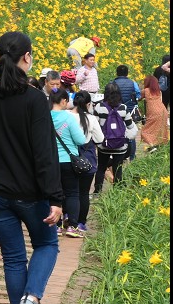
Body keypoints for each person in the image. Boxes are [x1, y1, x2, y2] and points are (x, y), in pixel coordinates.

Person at [0, 31, 63, 304]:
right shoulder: (35, 99)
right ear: (26, 57)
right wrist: (55, 197)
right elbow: (44, 154)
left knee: (13, 260)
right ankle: (33, 298)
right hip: (31, 194)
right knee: (47, 245)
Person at [48, 87, 87, 238]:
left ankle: (56, 226)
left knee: (55, 193)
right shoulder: (69, 117)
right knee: (72, 194)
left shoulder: (45, 117)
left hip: (51, 162)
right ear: (64, 101)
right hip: (69, 162)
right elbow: (80, 140)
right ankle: (72, 226)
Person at [92, 81, 138, 194]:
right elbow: (130, 126)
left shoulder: (99, 107)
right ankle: (118, 193)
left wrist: (98, 142)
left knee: (101, 168)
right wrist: (126, 139)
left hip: (104, 145)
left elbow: (95, 126)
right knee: (118, 169)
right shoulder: (123, 108)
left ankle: (97, 192)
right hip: (120, 145)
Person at [70, 91, 103, 235]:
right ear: (88, 104)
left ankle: (68, 219)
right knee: (83, 193)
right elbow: (100, 138)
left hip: (68, 158)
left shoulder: (67, 116)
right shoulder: (91, 119)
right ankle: (80, 223)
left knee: (69, 192)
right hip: (86, 160)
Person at [111, 64, 143, 161]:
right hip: (129, 110)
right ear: (127, 73)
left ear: (117, 73)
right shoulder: (132, 83)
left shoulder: (113, 83)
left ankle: (121, 155)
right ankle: (132, 157)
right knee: (131, 133)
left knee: (118, 132)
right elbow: (138, 95)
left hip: (116, 110)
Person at [140, 75, 168, 152]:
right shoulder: (159, 91)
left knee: (145, 132)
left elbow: (138, 98)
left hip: (154, 112)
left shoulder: (145, 91)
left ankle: (152, 146)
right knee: (160, 130)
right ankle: (159, 147)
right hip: (163, 111)